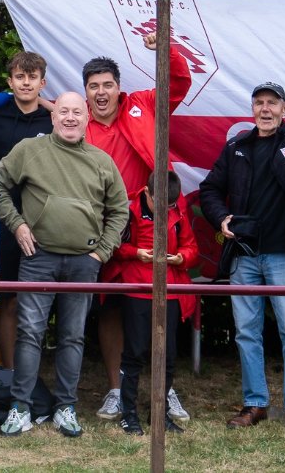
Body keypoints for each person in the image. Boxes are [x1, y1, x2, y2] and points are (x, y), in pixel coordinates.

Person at [200, 48, 285, 434]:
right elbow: (210, 189)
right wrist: (221, 217)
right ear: (252, 109)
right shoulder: (237, 146)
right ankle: (254, 404)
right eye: (259, 102)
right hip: (244, 256)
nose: (264, 108)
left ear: (284, 108)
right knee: (246, 332)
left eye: (272, 102)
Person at [0, 92, 129, 438]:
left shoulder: (102, 161)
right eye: (64, 111)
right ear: (53, 118)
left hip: (84, 262)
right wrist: (18, 224)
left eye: (77, 113)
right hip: (38, 259)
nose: (70, 118)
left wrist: (102, 252)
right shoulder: (29, 150)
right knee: (29, 334)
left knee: (72, 337)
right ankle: (20, 407)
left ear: (87, 119)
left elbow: (120, 210)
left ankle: (66, 407)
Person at [81, 31, 192, 421]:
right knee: (112, 304)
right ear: (85, 92)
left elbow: (179, 83)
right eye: (93, 86)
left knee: (162, 302)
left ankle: (167, 389)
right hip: (108, 224)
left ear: (118, 87)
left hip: (152, 215)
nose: (101, 92)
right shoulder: (80, 125)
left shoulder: (143, 103)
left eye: (107, 85)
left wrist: (167, 50)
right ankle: (115, 389)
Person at [0, 51, 53, 372]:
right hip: (2, 224)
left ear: (42, 82)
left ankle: (32, 375)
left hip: (43, 224)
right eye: (20, 77)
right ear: (10, 81)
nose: (26, 82)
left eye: (32, 77)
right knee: (8, 299)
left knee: (36, 301)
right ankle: (8, 373)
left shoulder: (53, 122)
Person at [105, 171, 197, 436]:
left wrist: (181, 258)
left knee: (167, 357)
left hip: (169, 290)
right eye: (161, 204)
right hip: (137, 289)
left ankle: (160, 414)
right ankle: (129, 414)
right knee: (134, 354)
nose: (166, 209)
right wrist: (136, 253)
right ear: (146, 192)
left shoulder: (178, 210)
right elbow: (112, 246)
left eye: (170, 205)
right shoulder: (128, 211)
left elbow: (192, 248)